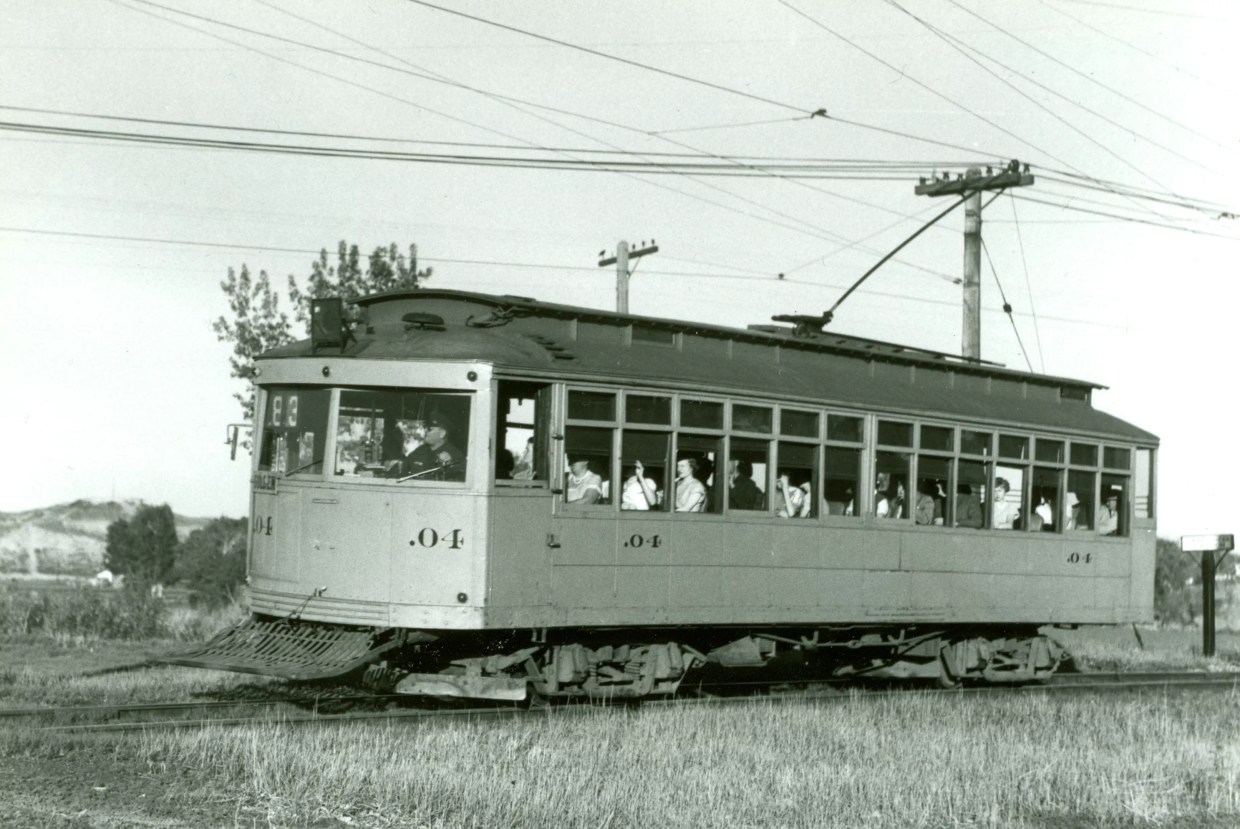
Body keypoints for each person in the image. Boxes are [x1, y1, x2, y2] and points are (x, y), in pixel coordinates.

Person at [400, 418, 465, 481]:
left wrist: (449, 465)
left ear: (442, 433)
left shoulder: (455, 455)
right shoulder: (419, 451)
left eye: (429, 429)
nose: (425, 431)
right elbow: (403, 473)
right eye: (424, 428)